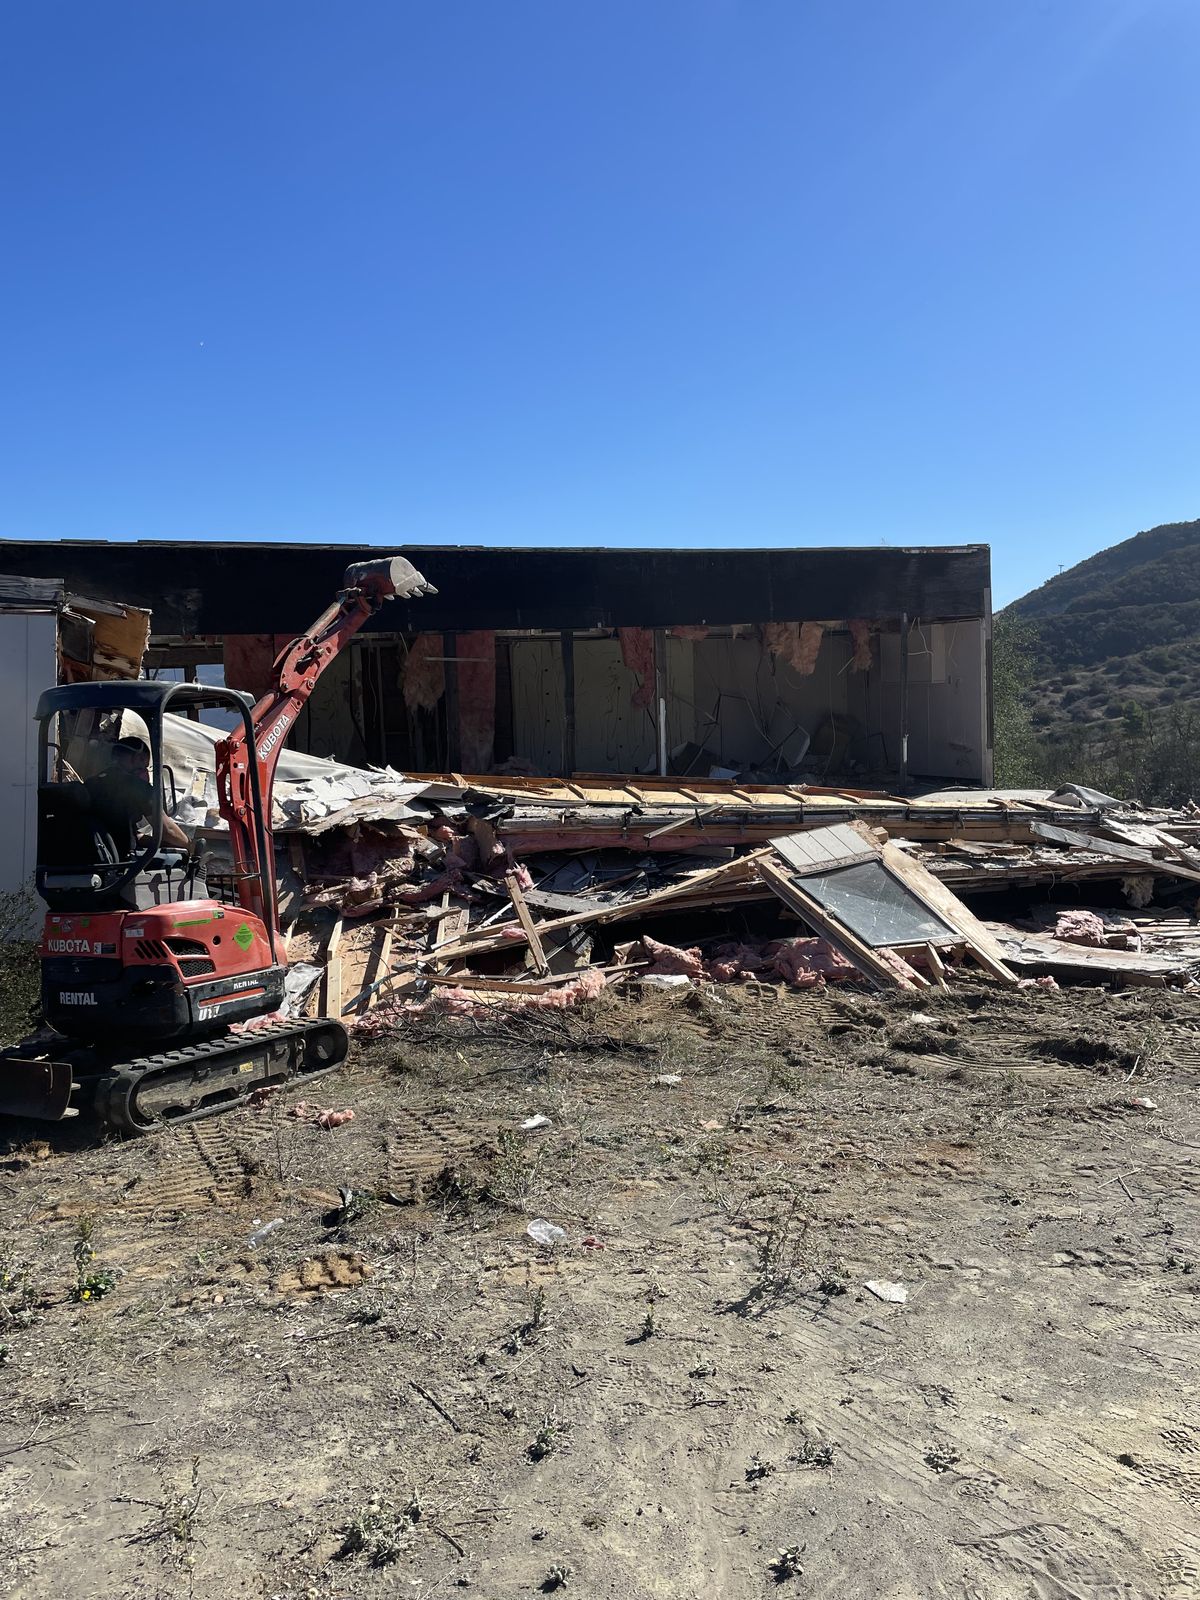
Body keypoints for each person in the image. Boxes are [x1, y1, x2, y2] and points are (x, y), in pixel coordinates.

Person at [85, 736, 190, 859]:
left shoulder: (90, 783)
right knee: (182, 859)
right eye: (145, 766)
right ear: (137, 758)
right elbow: (168, 831)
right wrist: (189, 845)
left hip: (95, 854)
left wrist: (155, 842)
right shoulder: (138, 787)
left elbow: (126, 832)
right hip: (123, 858)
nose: (145, 771)